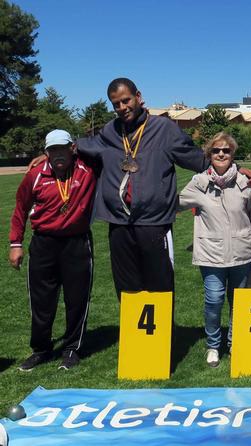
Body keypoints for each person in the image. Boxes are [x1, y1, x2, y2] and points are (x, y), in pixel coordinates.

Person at [76, 78, 209, 299]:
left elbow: (198, 160)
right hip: (119, 223)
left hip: (154, 223)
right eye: (116, 104)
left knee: (160, 290)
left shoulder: (164, 129)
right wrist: (51, 154)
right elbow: (82, 146)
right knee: (127, 290)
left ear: (138, 96)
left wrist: (235, 168)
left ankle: (162, 324)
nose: (122, 107)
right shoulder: (110, 131)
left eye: (126, 100)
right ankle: (131, 323)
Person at [9, 130, 96, 371]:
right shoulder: (35, 175)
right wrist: (16, 244)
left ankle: (72, 349)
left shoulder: (88, 169)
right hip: (43, 243)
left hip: (77, 243)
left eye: (62, 149)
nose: (58, 154)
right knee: (41, 300)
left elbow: (105, 149)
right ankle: (41, 349)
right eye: (52, 150)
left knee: (77, 299)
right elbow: (20, 209)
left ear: (72, 148)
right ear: (46, 152)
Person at [178, 133, 251, 368]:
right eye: (216, 150)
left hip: (242, 254)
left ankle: (235, 342)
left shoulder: (244, 183)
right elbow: (173, 204)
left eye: (226, 150)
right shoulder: (198, 183)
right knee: (214, 301)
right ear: (209, 154)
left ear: (232, 154)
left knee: (239, 303)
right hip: (211, 255)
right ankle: (213, 345)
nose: (221, 154)